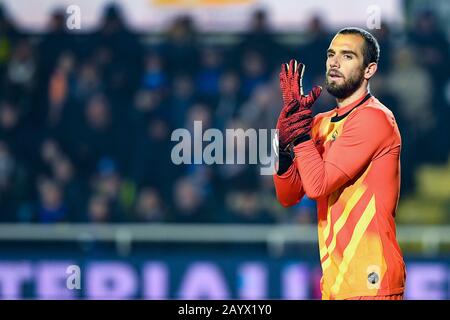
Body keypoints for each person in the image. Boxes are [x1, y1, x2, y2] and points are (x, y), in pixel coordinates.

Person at [273, 27, 406, 300]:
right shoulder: (320, 122)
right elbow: (288, 196)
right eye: (331, 54)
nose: (334, 62)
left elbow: (318, 185)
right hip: (336, 283)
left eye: (347, 56)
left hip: (371, 280)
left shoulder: (374, 119)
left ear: (369, 70)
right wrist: (282, 147)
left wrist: (298, 136)